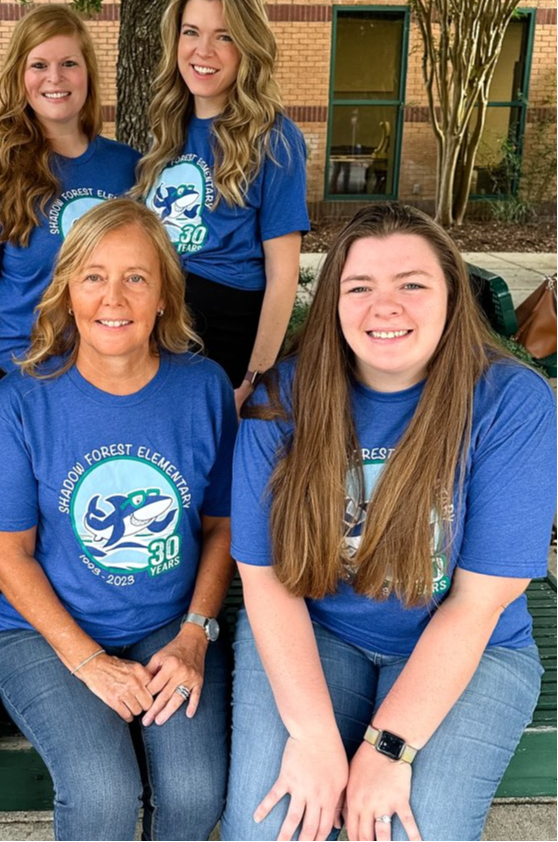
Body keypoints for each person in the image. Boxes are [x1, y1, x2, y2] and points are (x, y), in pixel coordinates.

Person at [223, 203, 557, 842]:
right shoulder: (282, 397)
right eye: (360, 286)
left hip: (472, 647)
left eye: (411, 283)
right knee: (274, 830)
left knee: (400, 832)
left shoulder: (511, 401)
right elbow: (264, 578)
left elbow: (479, 601)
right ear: (334, 302)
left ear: (452, 297)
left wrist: (386, 750)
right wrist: (316, 739)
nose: (386, 306)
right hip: (323, 632)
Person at [0, 198, 237, 841]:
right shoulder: (23, 397)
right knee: (103, 797)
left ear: (164, 299)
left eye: (136, 277)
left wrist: (195, 634)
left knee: (196, 793)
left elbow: (223, 526)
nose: (113, 297)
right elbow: (8, 553)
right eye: (93, 276)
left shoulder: (203, 388)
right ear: (67, 293)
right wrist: (89, 660)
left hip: (167, 628)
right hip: (43, 635)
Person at [134, 0, 310, 411]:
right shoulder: (168, 126)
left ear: (247, 46)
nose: (203, 50)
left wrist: (253, 377)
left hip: (222, 330)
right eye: (191, 32)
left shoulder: (274, 138)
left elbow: (283, 275)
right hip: (155, 315)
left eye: (224, 36)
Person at [0, 4, 141, 373]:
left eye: (69, 64)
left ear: (88, 74)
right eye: (39, 65)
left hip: (112, 373)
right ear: (20, 77)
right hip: (18, 374)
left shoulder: (129, 167)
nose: (55, 78)